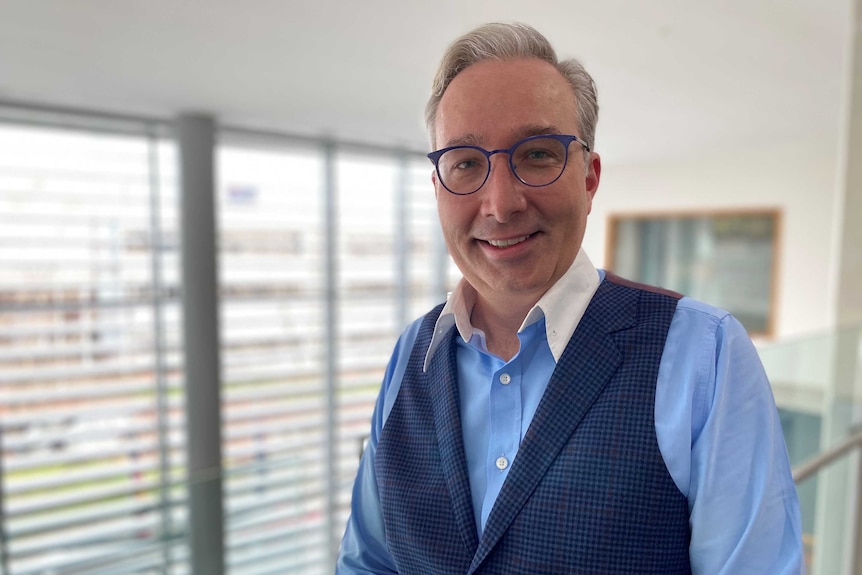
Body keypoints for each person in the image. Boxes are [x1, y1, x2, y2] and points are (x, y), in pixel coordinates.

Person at [337, 22, 803, 574]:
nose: (500, 203)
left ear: (589, 177)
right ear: (438, 188)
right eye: (465, 162)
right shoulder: (410, 356)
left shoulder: (706, 356)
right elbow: (367, 563)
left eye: (536, 155)